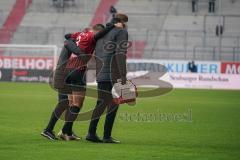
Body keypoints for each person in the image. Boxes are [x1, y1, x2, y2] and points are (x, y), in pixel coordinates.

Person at [41, 20, 123, 141]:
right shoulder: (90, 37)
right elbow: (98, 34)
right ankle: (54, 130)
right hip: (75, 71)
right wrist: (112, 25)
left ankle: (64, 131)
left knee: (69, 104)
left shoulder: (78, 36)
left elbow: (68, 36)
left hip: (67, 71)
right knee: (76, 104)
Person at [86, 13, 129, 143]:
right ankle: (107, 136)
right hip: (113, 72)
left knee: (100, 104)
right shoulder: (121, 32)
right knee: (114, 104)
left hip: (101, 73)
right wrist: (123, 75)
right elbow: (120, 54)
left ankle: (91, 133)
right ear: (122, 22)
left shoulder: (103, 32)